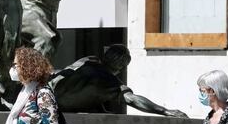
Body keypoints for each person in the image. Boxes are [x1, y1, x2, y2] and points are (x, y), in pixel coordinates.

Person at [49, 44, 188, 117]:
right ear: (121, 67)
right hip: (58, 105)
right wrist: (164, 111)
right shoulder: (110, 81)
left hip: (47, 97)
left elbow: (84, 88)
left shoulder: (87, 61)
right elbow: (133, 99)